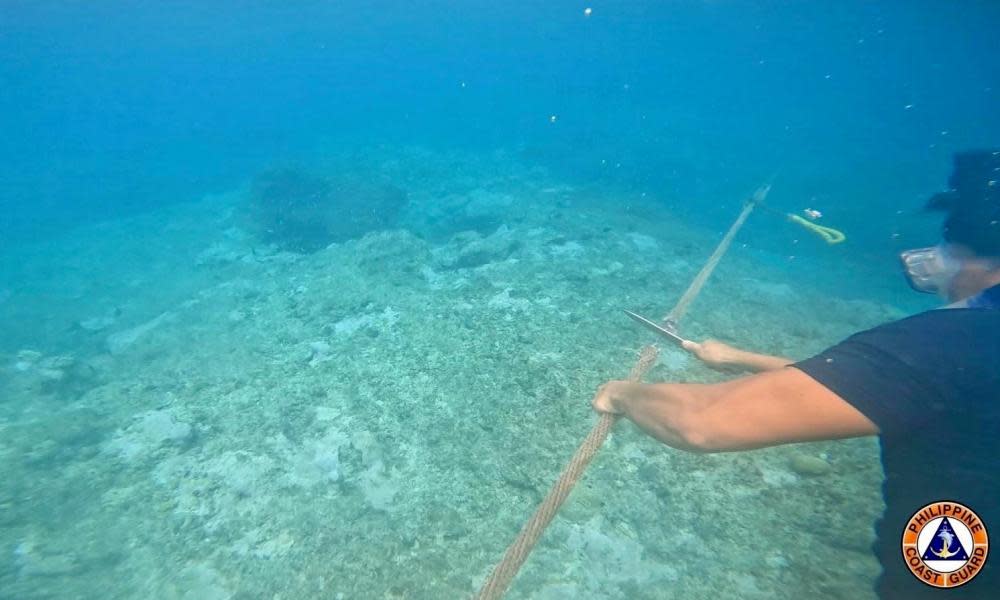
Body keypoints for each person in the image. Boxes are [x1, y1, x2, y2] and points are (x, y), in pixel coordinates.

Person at [591, 150, 1000, 598]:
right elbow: (880, 387)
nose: (936, 256)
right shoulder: (955, 355)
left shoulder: (946, 343)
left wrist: (622, 394)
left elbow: (702, 422)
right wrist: (739, 357)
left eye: (948, 239)